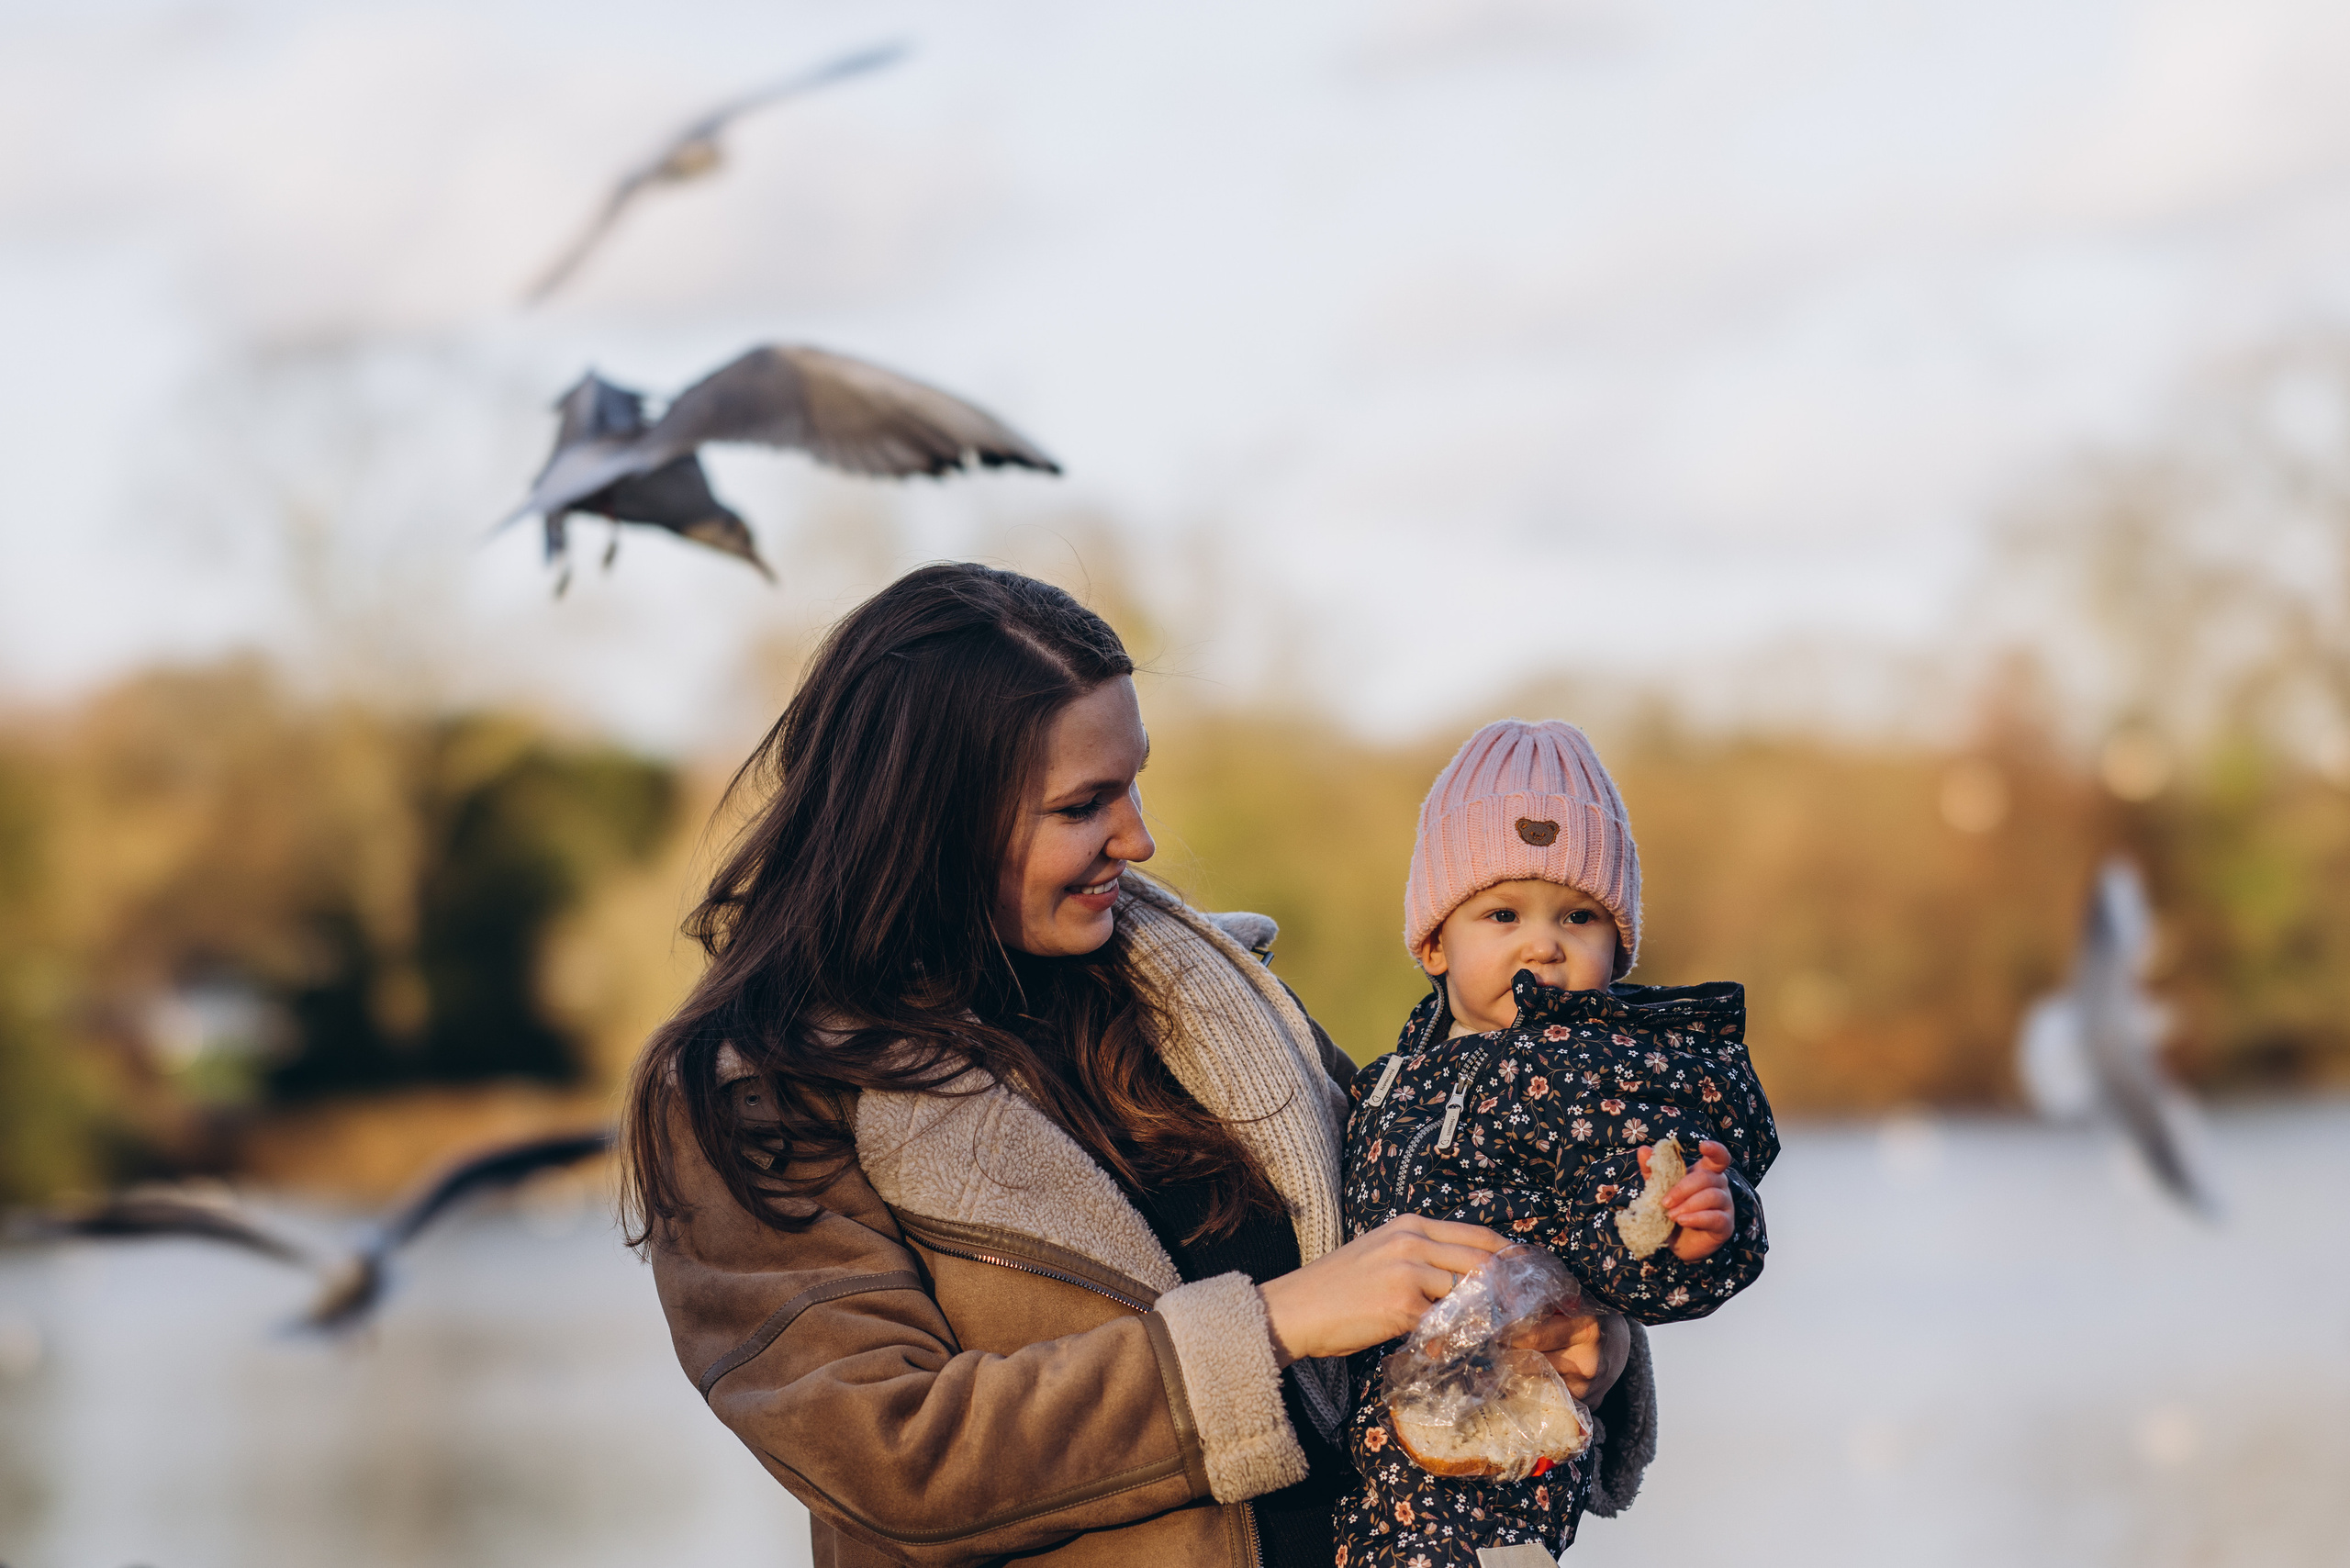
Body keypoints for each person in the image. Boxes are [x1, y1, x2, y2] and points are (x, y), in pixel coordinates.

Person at [621, 564, 1656, 1567]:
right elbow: (892, 1453)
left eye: (1135, 784)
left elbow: (1433, 1229)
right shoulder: (754, 1093)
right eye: (1084, 805)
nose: (1142, 838)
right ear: (928, 820)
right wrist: (1277, 1323)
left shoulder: (1218, 998)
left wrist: (1569, 1331)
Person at [1335, 719, 1777, 1566]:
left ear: (1619, 949)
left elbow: (1625, 1234)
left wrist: (1689, 1230)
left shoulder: (1596, 1071)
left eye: (1579, 917)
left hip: (1508, 1449)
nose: (1544, 943)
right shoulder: (1391, 1077)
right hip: (1384, 1441)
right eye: (1502, 913)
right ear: (1434, 941)